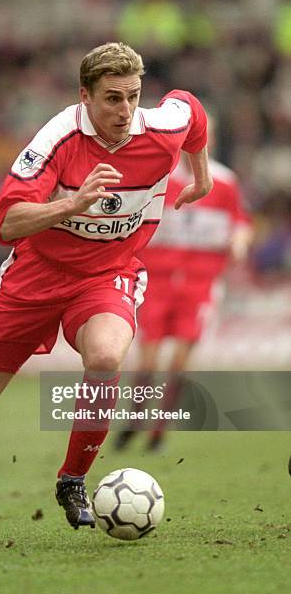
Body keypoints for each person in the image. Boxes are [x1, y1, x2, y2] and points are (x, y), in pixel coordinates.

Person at [0, 42, 212, 545]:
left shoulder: (160, 128)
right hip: (37, 276)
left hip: (106, 274)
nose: (125, 110)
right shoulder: (58, 137)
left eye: (133, 96)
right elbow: (6, 221)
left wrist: (199, 179)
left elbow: (193, 112)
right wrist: (72, 204)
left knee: (107, 355)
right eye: (112, 98)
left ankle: (72, 479)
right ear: (85, 96)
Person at [115, 139, 252, 451]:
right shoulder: (161, 178)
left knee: (179, 360)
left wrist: (240, 240)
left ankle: (159, 431)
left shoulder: (224, 182)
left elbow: (240, 221)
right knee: (147, 358)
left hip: (199, 284)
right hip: (158, 281)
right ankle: (136, 419)